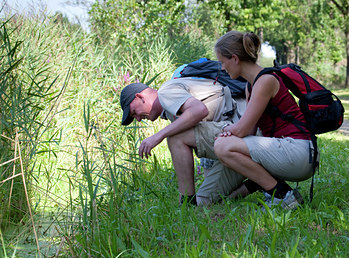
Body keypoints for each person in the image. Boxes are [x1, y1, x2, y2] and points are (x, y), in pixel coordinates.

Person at [213, 31, 318, 209]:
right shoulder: (251, 85)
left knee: (223, 146)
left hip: (298, 151)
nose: (222, 68)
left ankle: (282, 195)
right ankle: (276, 191)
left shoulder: (266, 80)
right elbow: (251, 132)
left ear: (235, 58)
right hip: (289, 150)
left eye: (223, 62)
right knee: (227, 145)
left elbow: (242, 130)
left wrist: (223, 133)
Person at [120, 72, 250, 206]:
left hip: (245, 129)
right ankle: (257, 183)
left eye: (134, 112)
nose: (138, 119)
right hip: (232, 144)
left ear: (140, 97)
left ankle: (186, 201)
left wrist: (157, 136)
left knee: (176, 138)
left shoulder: (166, 92)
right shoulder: (170, 110)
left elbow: (199, 110)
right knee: (204, 201)